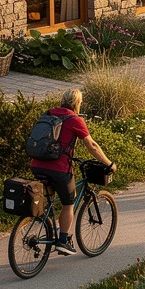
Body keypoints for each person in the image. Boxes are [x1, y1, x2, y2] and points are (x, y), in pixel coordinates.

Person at [29, 88, 115, 256]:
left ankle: (48, 224)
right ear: (78, 103)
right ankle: (62, 241)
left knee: (50, 198)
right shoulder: (75, 120)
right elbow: (92, 146)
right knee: (69, 203)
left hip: (37, 164)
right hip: (59, 169)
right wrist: (109, 163)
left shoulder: (49, 114)